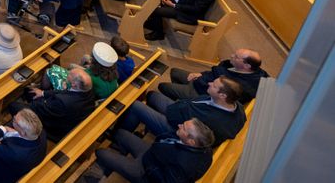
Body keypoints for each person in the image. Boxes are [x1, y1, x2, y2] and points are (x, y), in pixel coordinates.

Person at [118, 77, 246, 146]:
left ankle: (120, 135)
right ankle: (148, 128)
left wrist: (178, 108)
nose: (209, 83)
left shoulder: (210, 118)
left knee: (136, 106)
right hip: (182, 110)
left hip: (179, 129)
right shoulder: (235, 104)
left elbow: (174, 118)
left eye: (214, 85)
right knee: (152, 95)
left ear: (223, 95)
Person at [94, 118, 214, 183]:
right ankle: (121, 155)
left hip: (145, 172)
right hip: (153, 151)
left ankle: (102, 174)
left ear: (191, 141)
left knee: (101, 153)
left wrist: (148, 166)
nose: (179, 125)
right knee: (119, 133)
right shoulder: (201, 146)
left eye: (183, 127)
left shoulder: (183, 165)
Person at [10, 68, 95, 140]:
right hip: (68, 114)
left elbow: (41, 110)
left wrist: (31, 106)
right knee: (30, 92)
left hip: (55, 128)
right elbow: (65, 92)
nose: (68, 73)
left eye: (70, 74)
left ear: (74, 84)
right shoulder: (87, 89)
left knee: (14, 105)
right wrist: (43, 93)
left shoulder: (62, 102)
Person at [159, 48, 268, 104]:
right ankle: (179, 99)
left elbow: (219, 98)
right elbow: (216, 71)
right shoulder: (235, 64)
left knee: (163, 86)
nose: (231, 56)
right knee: (174, 72)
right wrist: (201, 74)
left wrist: (201, 80)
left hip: (203, 93)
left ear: (247, 65)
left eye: (236, 56)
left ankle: (181, 102)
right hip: (204, 81)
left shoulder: (243, 86)